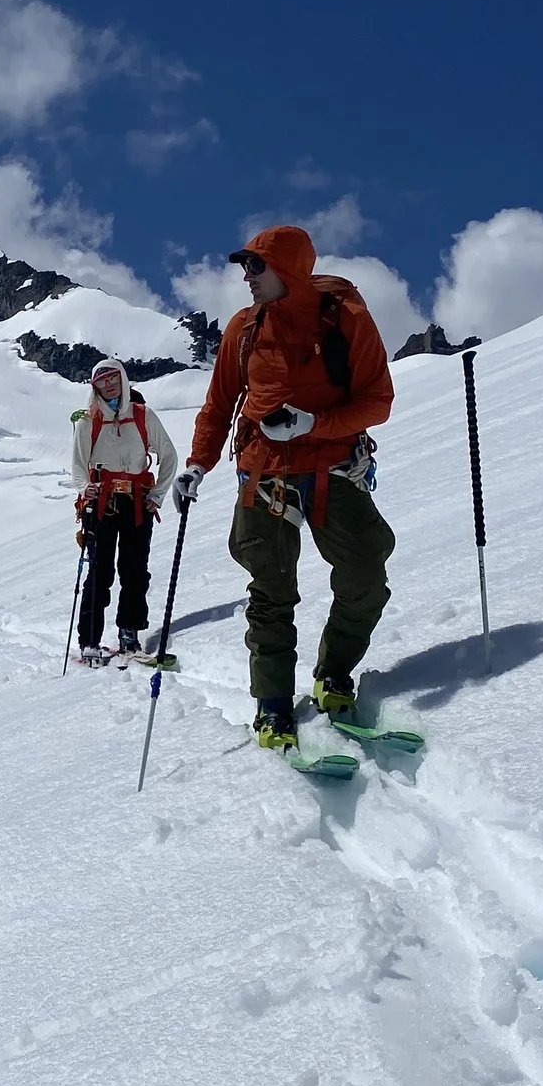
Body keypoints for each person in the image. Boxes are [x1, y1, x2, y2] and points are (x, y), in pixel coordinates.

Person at [172, 225, 396, 750]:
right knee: (271, 593)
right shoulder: (244, 329)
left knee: (365, 570)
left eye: (256, 267)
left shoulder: (346, 318)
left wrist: (310, 425)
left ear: (289, 269)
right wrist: (197, 465)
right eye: (244, 267)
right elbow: (219, 404)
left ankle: (333, 671)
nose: (245, 278)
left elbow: (378, 401)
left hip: (332, 467)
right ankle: (273, 703)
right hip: (262, 471)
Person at [70, 356, 171, 665]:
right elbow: (77, 464)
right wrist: (84, 487)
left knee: (134, 569)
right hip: (102, 501)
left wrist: (157, 495)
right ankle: (90, 639)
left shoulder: (143, 416)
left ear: (124, 380)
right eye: (102, 381)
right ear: (95, 386)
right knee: (99, 572)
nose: (109, 385)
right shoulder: (88, 421)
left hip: (137, 502)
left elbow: (168, 455)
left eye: (113, 378)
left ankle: (129, 630)